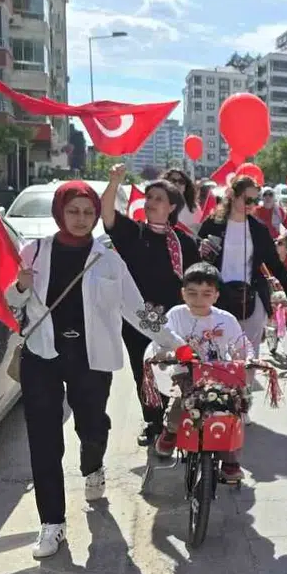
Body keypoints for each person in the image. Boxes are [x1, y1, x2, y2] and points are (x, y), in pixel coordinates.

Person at [6, 181, 184, 559]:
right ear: (60, 212)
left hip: (92, 358)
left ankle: (93, 466)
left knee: (92, 427)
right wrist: (19, 287)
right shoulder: (34, 251)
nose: (82, 219)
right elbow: (10, 303)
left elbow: (136, 309)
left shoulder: (108, 259)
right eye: (74, 211)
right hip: (44, 355)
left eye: (88, 212)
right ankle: (51, 523)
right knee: (44, 440)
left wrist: (175, 342)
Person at [102, 164, 201, 447]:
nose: (151, 202)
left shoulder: (184, 242)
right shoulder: (133, 232)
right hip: (139, 319)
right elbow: (107, 214)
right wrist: (114, 182)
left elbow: (196, 279)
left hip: (175, 319)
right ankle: (153, 421)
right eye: (149, 197)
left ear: (171, 207)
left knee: (177, 369)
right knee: (144, 371)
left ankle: (175, 417)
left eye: (159, 198)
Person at [149, 262, 248, 481]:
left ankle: (230, 461)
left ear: (216, 296)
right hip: (185, 372)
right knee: (181, 405)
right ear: (183, 293)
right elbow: (162, 340)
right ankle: (171, 430)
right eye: (192, 293)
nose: (199, 299)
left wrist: (247, 360)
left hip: (220, 373)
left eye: (206, 294)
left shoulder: (227, 319)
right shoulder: (175, 314)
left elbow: (242, 345)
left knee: (231, 411)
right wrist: (164, 354)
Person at [197, 175, 287, 353]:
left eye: (255, 200)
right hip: (217, 299)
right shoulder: (213, 224)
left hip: (251, 299)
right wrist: (201, 250)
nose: (251, 204)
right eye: (247, 199)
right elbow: (196, 257)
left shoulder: (259, 229)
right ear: (233, 196)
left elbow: (275, 264)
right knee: (218, 356)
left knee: (248, 358)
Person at [162, 167, 200, 234]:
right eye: (173, 180)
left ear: (185, 186)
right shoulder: (158, 204)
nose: (177, 184)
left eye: (181, 181)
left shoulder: (194, 207)